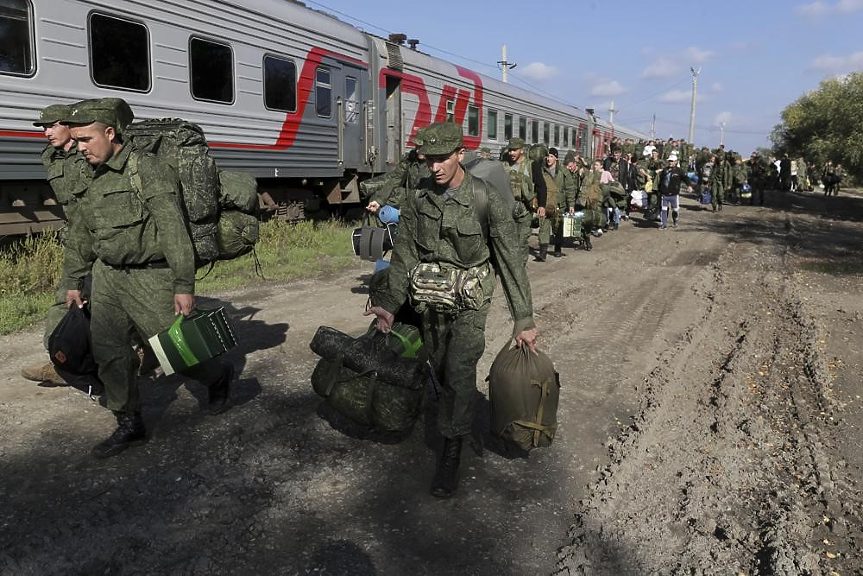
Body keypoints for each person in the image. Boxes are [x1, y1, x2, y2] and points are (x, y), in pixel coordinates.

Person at [365, 122, 538, 498]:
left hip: (470, 303)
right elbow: (405, 255)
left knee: (459, 370)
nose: (436, 167)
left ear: (461, 154)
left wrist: (523, 319)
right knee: (441, 366)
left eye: (443, 158)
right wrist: (391, 305)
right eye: (430, 160)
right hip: (430, 299)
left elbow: (510, 259)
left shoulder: (485, 198)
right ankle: (451, 412)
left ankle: (451, 452)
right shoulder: (418, 199)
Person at [61, 98, 234, 458]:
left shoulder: (148, 168)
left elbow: (173, 230)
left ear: (110, 133)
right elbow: (80, 232)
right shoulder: (89, 175)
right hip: (107, 278)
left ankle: (218, 376)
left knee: (180, 350)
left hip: (151, 278)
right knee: (111, 354)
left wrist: (184, 284)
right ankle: (129, 422)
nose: (80, 148)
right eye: (76, 141)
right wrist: (74, 280)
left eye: (86, 139)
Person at [20, 104, 93, 386]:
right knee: (66, 300)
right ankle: (61, 363)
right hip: (79, 238)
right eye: (43, 128)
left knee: (111, 304)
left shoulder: (90, 153)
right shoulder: (53, 156)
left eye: (51, 126)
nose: (46, 132)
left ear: (69, 126)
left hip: (104, 238)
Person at [504, 137, 546, 262]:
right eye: (510, 150)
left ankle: (520, 269)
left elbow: (541, 186)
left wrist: (542, 205)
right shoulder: (505, 164)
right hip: (507, 208)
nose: (511, 153)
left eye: (514, 150)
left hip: (524, 209)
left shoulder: (532, 165)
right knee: (509, 242)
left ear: (522, 150)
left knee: (521, 241)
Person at [656, 154, 690, 229]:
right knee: (664, 209)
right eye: (669, 161)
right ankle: (664, 224)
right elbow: (661, 180)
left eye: (671, 161)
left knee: (675, 210)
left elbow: (686, 178)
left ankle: (675, 220)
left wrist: (689, 186)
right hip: (664, 194)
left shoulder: (679, 171)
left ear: (675, 162)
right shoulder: (665, 170)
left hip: (674, 195)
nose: (670, 162)